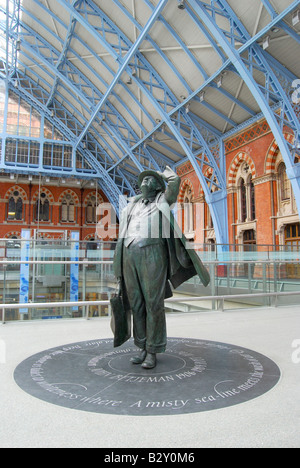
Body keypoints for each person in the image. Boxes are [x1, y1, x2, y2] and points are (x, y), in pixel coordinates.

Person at [112, 166, 210, 369]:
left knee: (153, 304)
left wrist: (164, 174)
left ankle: (153, 350)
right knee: (136, 303)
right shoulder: (131, 206)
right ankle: (141, 346)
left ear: (157, 187)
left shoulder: (162, 201)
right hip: (129, 257)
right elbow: (121, 236)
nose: (144, 183)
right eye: (143, 180)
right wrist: (118, 267)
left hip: (153, 255)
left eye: (150, 180)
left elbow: (174, 183)